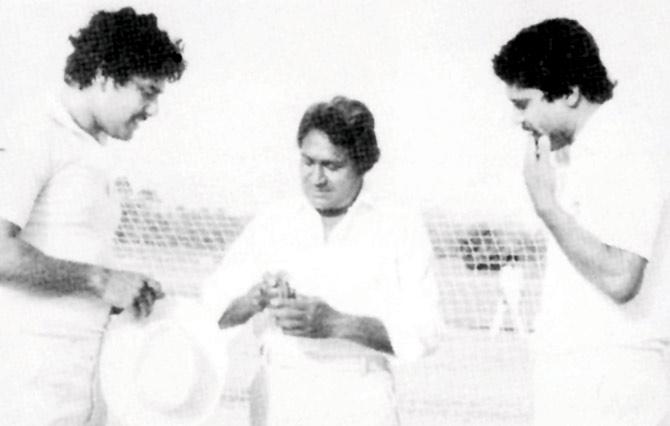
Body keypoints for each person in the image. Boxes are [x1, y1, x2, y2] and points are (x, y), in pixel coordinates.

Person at [202, 96, 442, 426]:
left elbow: (425, 330)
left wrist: (336, 323)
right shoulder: (273, 222)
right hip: (279, 398)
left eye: (332, 166)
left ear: (362, 163)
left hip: (359, 397)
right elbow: (210, 313)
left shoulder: (398, 226)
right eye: (307, 162)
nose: (316, 178)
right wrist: (254, 299)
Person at [0, 7, 185, 425]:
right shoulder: (34, 131)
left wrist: (122, 292)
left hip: (77, 385)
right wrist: (100, 279)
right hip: (24, 390)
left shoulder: (93, 148)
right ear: (104, 75)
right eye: (147, 91)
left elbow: (67, 252)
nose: (153, 109)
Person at [492, 18, 667, 425]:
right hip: (578, 377)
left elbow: (621, 278)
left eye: (524, 103)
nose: (519, 120)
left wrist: (548, 207)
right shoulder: (583, 156)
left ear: (569, 93)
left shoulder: (625, 151)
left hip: (613, 382)